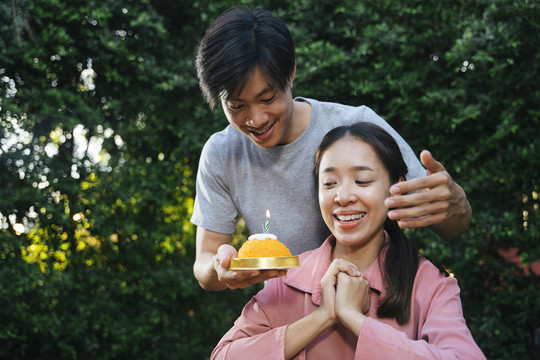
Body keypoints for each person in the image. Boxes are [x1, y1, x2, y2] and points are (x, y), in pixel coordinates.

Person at [192, 7, 472, 291]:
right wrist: (222, 269)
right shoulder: (222, 153)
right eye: (237, 106)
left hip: (377, 306)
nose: (256, 119)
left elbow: (450, 225)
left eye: (267, 98)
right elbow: (204, 263)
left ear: (290, 74)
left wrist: (457, 206)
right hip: (289, 321)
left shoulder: (356, 127)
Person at [211, 122, 485, 360]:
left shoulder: (429, 284)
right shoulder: (287, 278)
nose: (343, 196)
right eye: (329, 183)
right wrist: (323, 317)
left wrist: (354, 318)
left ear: (396, 186)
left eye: (362, 181)